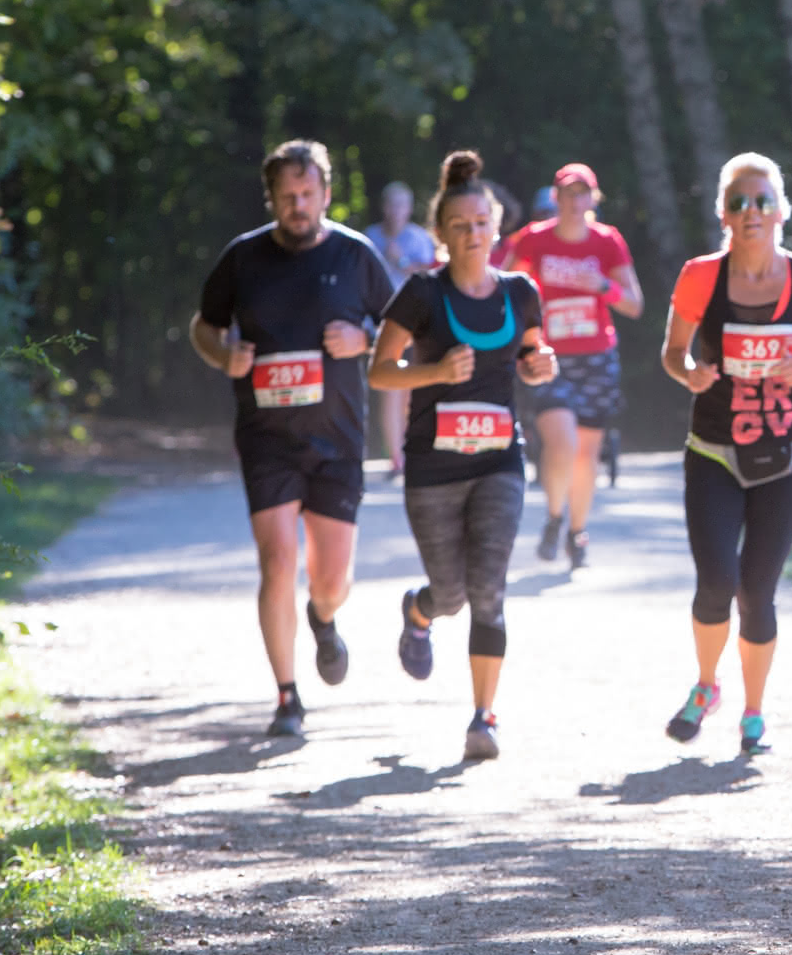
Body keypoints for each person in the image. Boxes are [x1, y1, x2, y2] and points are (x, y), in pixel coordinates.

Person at [190, 140, 395, 739]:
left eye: (308, 195)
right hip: (266, 437)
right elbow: (205, 326)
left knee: (332, 581)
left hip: (338, 440)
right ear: (272, 198)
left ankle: (323, 621)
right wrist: (223, 356)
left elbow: (399, 331)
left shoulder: (357, 256)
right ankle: (286, 696)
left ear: (326, 194)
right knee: (277, 560)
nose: (298, 206)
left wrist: (364, 343)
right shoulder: (243, 258)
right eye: (287, 196)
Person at [367, 149, 557, 760]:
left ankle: (483, 716)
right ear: (442, 234)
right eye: (460, 226)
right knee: (450, 594)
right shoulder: (421, 295)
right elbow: (379, 371)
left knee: (490, 589)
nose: (473, 234)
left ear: (496, 227)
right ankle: (419, 612)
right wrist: (434, 371)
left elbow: (531, 357)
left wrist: (540, 367)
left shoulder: (521, 293)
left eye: (482, 223)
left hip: (499, 461)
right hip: (432, 467)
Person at [659, 152, 792, 755]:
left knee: (756, 589)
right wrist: (688, 374)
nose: (752, 212)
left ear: (782, 210)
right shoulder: (700, 277)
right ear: (724, 215)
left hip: (788, 455)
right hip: (714, 451)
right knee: (717, 581)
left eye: (763, 201)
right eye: (739, 203)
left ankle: (754, 710)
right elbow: (673, 353)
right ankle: (706, 685)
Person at [501, 163, 643, 568]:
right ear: (557, 199)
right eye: (568, 193)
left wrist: (601, 285)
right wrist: (528, 314)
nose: (575, 202)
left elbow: (634, 304)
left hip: (597, 357)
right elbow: (502, 289)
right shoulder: (533, 241)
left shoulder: (607, 242)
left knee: (586, 453)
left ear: (592, 200)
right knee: (561, 439)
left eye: (584, 194)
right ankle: (554, 516)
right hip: (548, 355)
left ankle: (577, 533)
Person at [365, 181, 439, 477]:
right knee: (389, 390)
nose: (395, 211)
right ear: (384, 207)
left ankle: (412, 450)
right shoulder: (370, 238)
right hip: (381, 324)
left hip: (417, 324)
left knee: (412, 390)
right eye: (391, 204)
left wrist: (402, 260)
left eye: (401, 205)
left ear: (409, 209)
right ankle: (395, 457)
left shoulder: (420, 238)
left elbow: (431, 274)